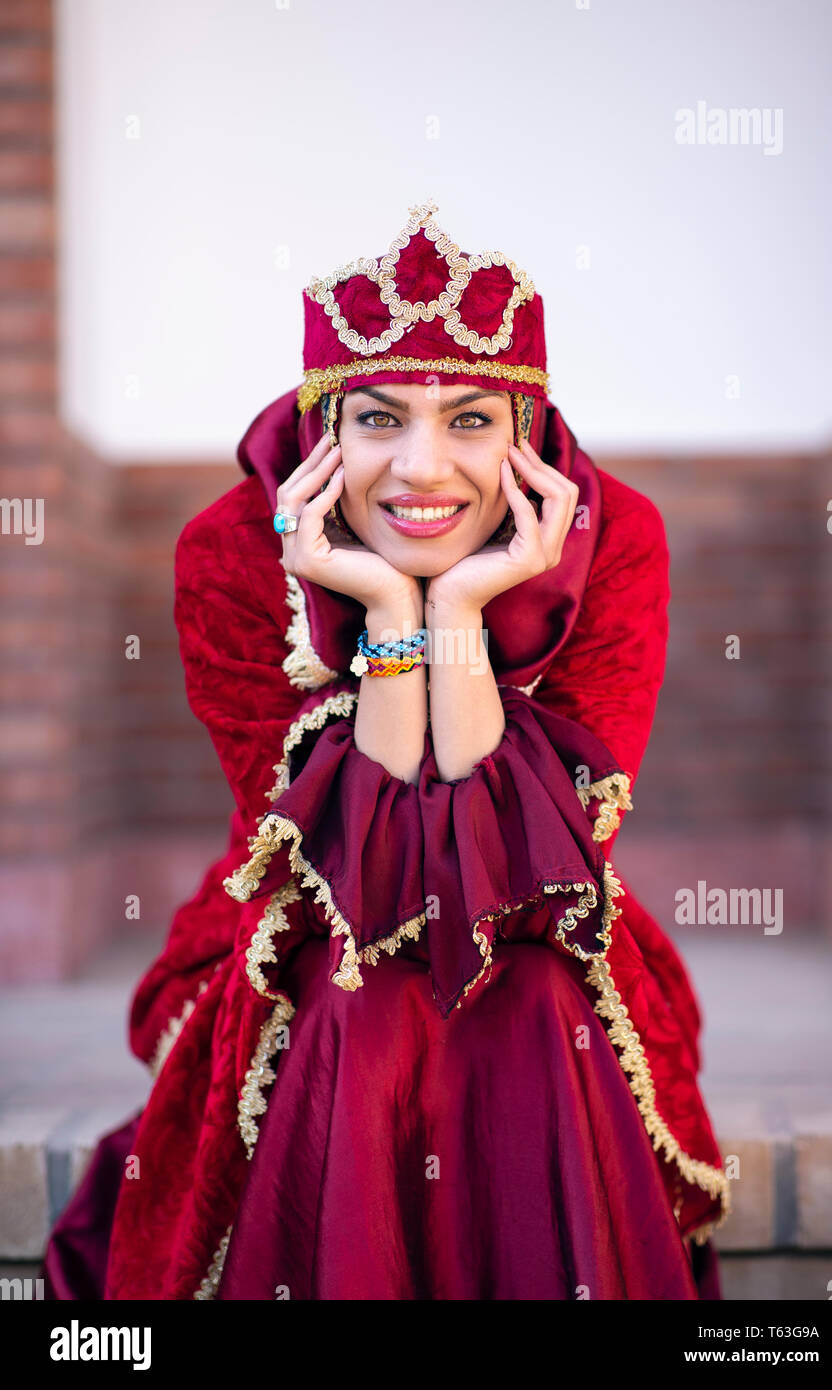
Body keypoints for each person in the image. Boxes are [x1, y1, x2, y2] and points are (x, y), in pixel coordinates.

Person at [43, 199, 730, 1301]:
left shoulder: (613, 539)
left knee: (529, 994)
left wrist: (455, 608)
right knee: (362, 997)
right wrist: (375, 601)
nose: (422, 470)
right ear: (325, 430)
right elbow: (358, 878)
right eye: (377, 420)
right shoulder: (230, 551)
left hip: (543, 906)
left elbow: (516, 875)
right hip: (293, 910)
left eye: (468, 421)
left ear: (522, 432)